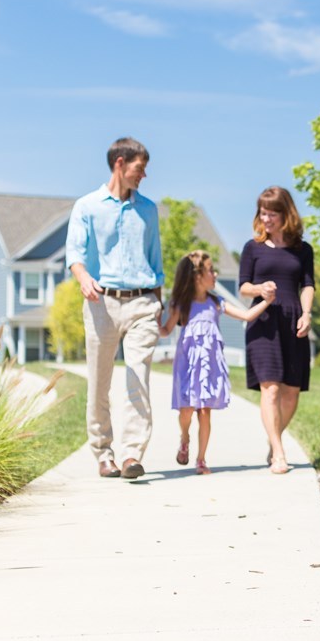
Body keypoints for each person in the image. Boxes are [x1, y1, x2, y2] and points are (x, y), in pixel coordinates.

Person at [65, 137, 163, 480]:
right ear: (120, 163)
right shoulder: (87, 206)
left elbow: (156, 259)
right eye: (139, 168)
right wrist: (82, 277)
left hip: (142, 301)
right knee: (100, 381)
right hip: (101, 302)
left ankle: (131, 455)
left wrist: (159, 302)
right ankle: (103, 453)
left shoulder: (148, 209)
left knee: (138, 376)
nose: (144, 175)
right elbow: (74, 253)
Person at [160, 250, 266, 475]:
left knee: (205, 412)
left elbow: (246, 316)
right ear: (197, 276)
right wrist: (149, 320)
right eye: (210, 269)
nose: (215, 273)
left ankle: (201, 459)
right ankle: (185, 437)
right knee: (186, 411)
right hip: (187, 365)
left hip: (208, 367)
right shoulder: (182, 304)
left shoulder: (216, 303)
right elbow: (166, 329)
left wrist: (267, 301)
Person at [238, 186, 314, 475]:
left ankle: (274, 439)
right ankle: (279, 453)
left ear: (286, 214)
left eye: (272, 214)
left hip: (293, 321)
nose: (266, 219)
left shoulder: (302, 250)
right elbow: (244, 287)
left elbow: (307, 284)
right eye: (262, 213)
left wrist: (306, 314)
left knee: (291, 392)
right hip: (264, 323)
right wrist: (259, 288)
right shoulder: (252, 248)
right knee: (269, 389)